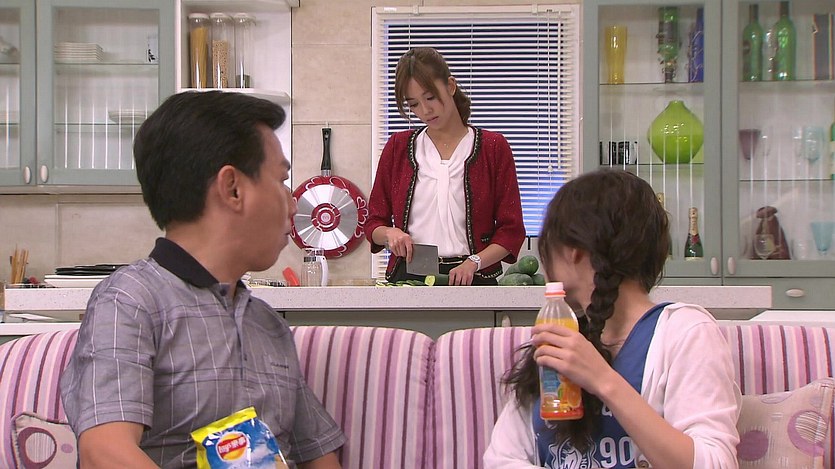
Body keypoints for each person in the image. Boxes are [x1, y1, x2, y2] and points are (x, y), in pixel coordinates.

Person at [60, 91, 345, 469]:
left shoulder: (268, 324)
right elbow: (105, 452)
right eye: (282, 180)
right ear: (233, 188)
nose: (293, 204)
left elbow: (318, 454)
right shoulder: (130, 301)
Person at [483, 169, 740, 468]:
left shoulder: (685, 332)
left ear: (573, 251)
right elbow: (502, 459)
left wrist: (603, 380)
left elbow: (714, 462)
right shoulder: (562, 336)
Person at [366, 47, 525, 285]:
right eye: (414, 104)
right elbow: (373, 223)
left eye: (430, 97)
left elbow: (511, 230)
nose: (425, 110)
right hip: (409, 277)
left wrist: (474, 262)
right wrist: (390, 233)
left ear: (451, 86)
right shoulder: (398, 147)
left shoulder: (493, 147)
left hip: (474, 278)